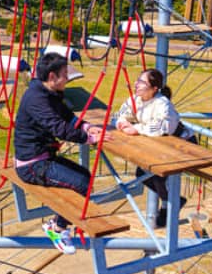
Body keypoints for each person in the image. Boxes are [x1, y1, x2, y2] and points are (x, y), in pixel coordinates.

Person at [14, 52, 110, 254]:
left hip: (42, 158)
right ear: (52, 77)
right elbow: (59, 128)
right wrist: (89, 139)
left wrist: (86, 127)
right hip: (32, 166)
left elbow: (66, 116)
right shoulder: (36, 99)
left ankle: (56, 222)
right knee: (82, 184)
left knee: (86, 178)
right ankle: (58, 228)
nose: (67, 78)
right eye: (65, 74)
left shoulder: (48, 93)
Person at [114, 68, 196, 227]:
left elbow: (162, 128)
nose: (136, 85)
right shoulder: (135, 99)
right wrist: (122, 123)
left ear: (154, 89)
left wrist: (136, 128)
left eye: (142, 82)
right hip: (159, 144)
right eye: (137, 80)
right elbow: (121, 114)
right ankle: (171, 201)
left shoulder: (162, 104)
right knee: (143, 173)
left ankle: (168, 205)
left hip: (182, 143)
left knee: (156, 173)